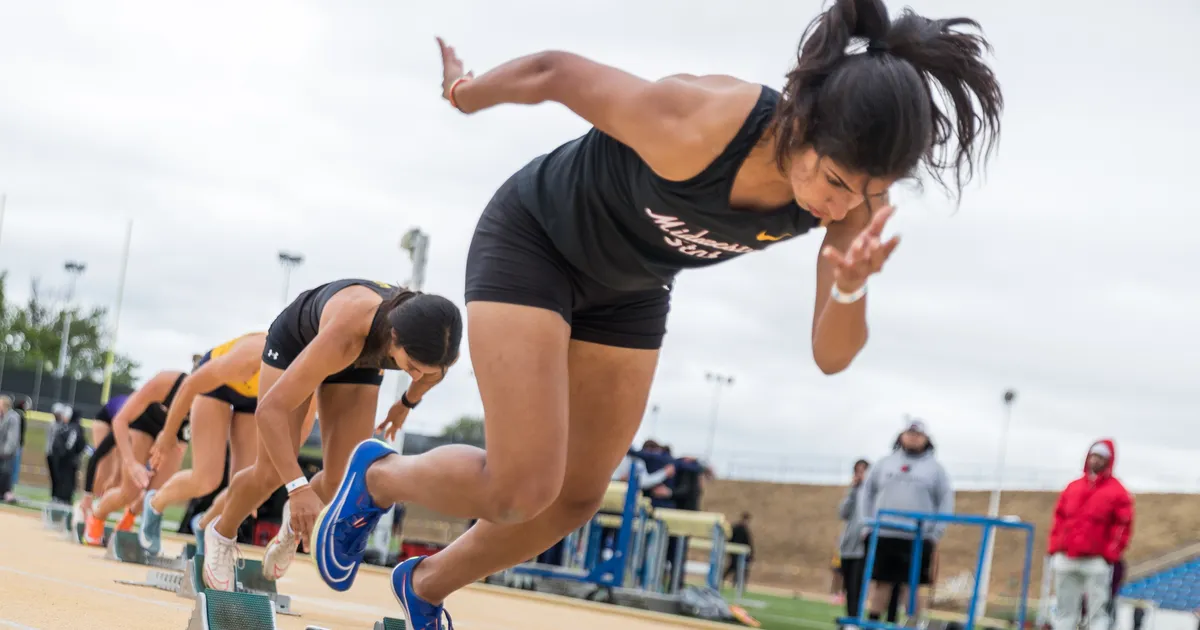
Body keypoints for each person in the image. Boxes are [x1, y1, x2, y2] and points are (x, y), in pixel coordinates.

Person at [311, 0, 1003, 624]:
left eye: (868, 192)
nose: (843, 205)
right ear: (805, 124)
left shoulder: (852, 208)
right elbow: (556, 71)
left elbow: (829, 356)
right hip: (538, 242)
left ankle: (425, 587)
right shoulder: (702, 122)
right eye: (834, 182)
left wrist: (851, 286)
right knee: (522, 486)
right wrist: (466, 94)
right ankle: (375, 477)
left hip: (633, 286)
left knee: (580, 495)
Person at [200, 279, 461, 592]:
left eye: (426, 371)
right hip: (296, 344)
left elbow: (433, 373)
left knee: (342, 479)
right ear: (394, 338)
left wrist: (405, 404)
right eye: (413, 367)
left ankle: (292, 524)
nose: (417, 376)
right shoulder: (348, 335)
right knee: (270, 472)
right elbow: (269, 412)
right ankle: (221, 533)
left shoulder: (435, 344)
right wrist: (296, 489)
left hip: (359, 359)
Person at [139, 332, 312, 555]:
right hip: (216, 387)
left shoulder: (310, 377)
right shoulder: (249, 357)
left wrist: (264, 485)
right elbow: (190, 386)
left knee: (243, 487)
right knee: (206, 479)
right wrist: (168, 433)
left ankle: (204, 525)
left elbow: (299, 433)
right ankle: (155, 504)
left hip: (256, 398)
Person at [859, 419, 954, 622]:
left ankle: (914, 624)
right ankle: (873, 623)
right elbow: (867, 493)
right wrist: (867, 524)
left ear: (926, 439)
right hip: (884, 534)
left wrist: (935, 532)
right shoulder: (884, 463)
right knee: (881, 583)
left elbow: (945, 500)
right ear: (901, 436)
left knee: (911, 586)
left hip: (917, 537)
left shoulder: (935, 469)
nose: (913, 438)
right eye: (909, 434)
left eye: (918, 435)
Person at [84, 369, 190, 545]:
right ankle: (97, 515)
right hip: (143, 422)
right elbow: (120, 421)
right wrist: (131, 463)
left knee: (156, 494)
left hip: (176, 431)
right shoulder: (166, 382)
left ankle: (128, 520)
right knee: (130, 491)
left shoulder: (213, 398)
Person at [1048, 440, 1132, 630]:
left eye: (1101, 457)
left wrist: (1109, 553)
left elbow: (1123, 525)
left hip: (1095, 561)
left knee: (1097, 613)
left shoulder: (1117, 492)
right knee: (1064, 611)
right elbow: (1059, 518)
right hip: (1067, 557)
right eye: (1094, 455)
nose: (1096, 460)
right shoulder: (1073, 487)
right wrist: (1055, 547)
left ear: (1108, 460)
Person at [80, 394, 130, 520]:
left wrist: (116, 473)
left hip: (124, 422)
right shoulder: (126, 417)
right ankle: (85, 506)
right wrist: (87, 493)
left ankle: (99, 510)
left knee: (118, 477)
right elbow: (96, 457)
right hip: (106, 420)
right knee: (104, 468)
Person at [838, 458, 870, 621]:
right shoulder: (853, 491)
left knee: (857, 586)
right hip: (847, 546)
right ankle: (851, 619)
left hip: (862, 548)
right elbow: (842, 513)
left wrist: (864, 487)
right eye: (857, 471)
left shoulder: (870, 493)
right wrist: (852, 490)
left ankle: (855, 619)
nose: (860, 475)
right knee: (848, 587)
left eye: (863, 471)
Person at [49, 407, 89, 504]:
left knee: (67, 480)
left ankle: (64, 499)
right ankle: (60, 498)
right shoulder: (68, 427)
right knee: (62, 479)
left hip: (68, 460)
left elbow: (71, 445)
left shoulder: (74, 428)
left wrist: (64, 454)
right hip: (64, 459)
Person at [724, 512, 754, 587]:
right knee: (736, 567)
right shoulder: (738, 528)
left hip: (739, 552)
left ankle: (734, 582)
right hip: (736, 552)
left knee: (735, 567)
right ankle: (733, 582)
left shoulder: (740, 528)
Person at [0, 396, 20, 500]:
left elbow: (12, 437)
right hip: (1, 451)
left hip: (7, 453)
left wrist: (6, 451)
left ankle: (5, 494)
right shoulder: (2, 416)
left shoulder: (13, 417)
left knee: (5, 473)